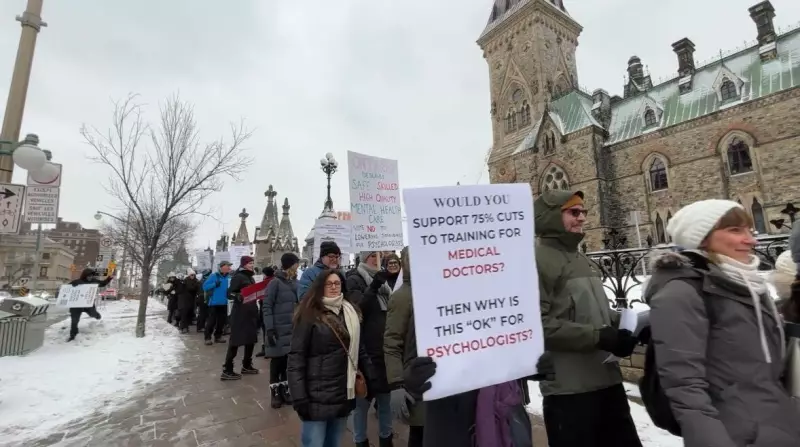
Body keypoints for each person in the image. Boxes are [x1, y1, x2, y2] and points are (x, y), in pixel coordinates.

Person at [645, 199, 800, 447]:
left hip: (778, 426)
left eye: (750, 230)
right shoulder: (682, 293)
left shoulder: (747, 286)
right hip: (738, 435)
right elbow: (684, 387)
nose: (752, 240)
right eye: (735, 230)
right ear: (702, 238)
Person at [534, 190, 641, 447]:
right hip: (569, 392)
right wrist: (597, 337)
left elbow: (594, 311)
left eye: (584, 211)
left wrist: (630, 326)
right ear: (550, 216)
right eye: (574, 212)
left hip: (607, 382)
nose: (582, 218)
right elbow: (536, 325)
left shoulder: (581, 259)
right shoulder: (536, 261)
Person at [288, 269, 375, 447]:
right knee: (314, 443)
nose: (334, 287)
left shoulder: (351, 312)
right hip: (316, 395)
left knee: (333, 443)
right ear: (320, 287)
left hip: (343, 392)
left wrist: (371, 377)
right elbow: (296, 358)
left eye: (337, 283)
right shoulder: (309, 314)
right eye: (329, 284)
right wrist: (299, 396)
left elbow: (360, 349)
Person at [346, 251, 395, 447]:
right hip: (365, 352)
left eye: (379, 256)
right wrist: (373, 286)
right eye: (374, 257)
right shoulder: (354, 279)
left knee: (385, 402)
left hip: (383, 350)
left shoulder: (384, 281)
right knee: (362, 404)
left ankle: (386, 439)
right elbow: (357, 308)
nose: (378, 259)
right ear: (366, 258)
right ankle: (360, 440)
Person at [383, 246, 425, 447]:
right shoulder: (402, 297)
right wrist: (397, 384)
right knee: (421, 434)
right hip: (417, 381)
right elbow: (392, 343)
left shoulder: (436, 290)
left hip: (441, 379)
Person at [264, 254, 299, 407]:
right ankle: (275, 392)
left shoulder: (294, 283)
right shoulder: (275, 283)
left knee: (287, 361)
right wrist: (269, 328)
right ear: (290, 265)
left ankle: (285, 389)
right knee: (276, 362)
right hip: (277, 330)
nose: (297, 267)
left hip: (291, 329)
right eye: (296, 264)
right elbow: (267, 306)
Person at [222, 256, 260, 380]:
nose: (252, 265)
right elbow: (229, 293)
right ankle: (227, 369)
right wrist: (238, 296)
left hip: (251, 312)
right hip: (240, 314)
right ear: (243, 264)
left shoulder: (250, 277)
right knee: (236, 340)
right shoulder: (238, 276)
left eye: (252, 263)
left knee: (251, 339)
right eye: (249, 263)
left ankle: (247, 365)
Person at [67, 268, 112, 342]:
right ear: (85, 276)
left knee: (92, 313)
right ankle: (73, 335)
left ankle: (96, 315)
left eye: (91, 276)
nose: (90, 277)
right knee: (74, 320)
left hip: (88, 303)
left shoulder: (94, 281)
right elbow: (67, 290)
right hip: (76, 305)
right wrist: (72, 286)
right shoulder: (77, 282)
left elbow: (103, 283)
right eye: (89, 276)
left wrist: (109, 278)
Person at [203, 260, 233, 345]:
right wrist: (215, 284)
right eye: (228, 266)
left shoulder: (229, 277)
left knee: (221, 321)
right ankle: (207, 338)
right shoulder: (214, 276)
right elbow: (205, 287)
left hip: (224, 303)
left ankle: (218, 336)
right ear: (222, 267)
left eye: (229, 266)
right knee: (211, 321)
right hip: (214, 303)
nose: (229, 267)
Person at [256, 267, 276, 358]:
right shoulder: (274, 281)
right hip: (267, 308)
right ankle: (266, 349)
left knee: (266, 329)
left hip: (266, 308)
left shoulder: (268, 282)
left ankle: (266, 349)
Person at [179, 268, 200, 334]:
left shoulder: (196, 281)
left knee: (189, 314)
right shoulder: (185, 281)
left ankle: (186, 327)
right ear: (189, 275)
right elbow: (189, 288)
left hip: (192, 300)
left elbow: (197, 289)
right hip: (184, 300)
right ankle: (183, 327)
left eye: (193, 275)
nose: (192, 276)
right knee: (184, 314)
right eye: (191, 275)